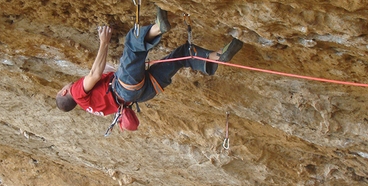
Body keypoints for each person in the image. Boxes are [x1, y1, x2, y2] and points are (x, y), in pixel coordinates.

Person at [56, 7, 243, 119]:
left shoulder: (92, 107)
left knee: (181, 56)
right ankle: (158, 27)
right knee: (132, 44)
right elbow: (94, 75)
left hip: (141, 94)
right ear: (64, 92)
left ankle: (218, 56)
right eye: (61, 88)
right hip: (126, 87)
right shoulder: (76, 92)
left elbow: (103, 82)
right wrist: (104, 42)